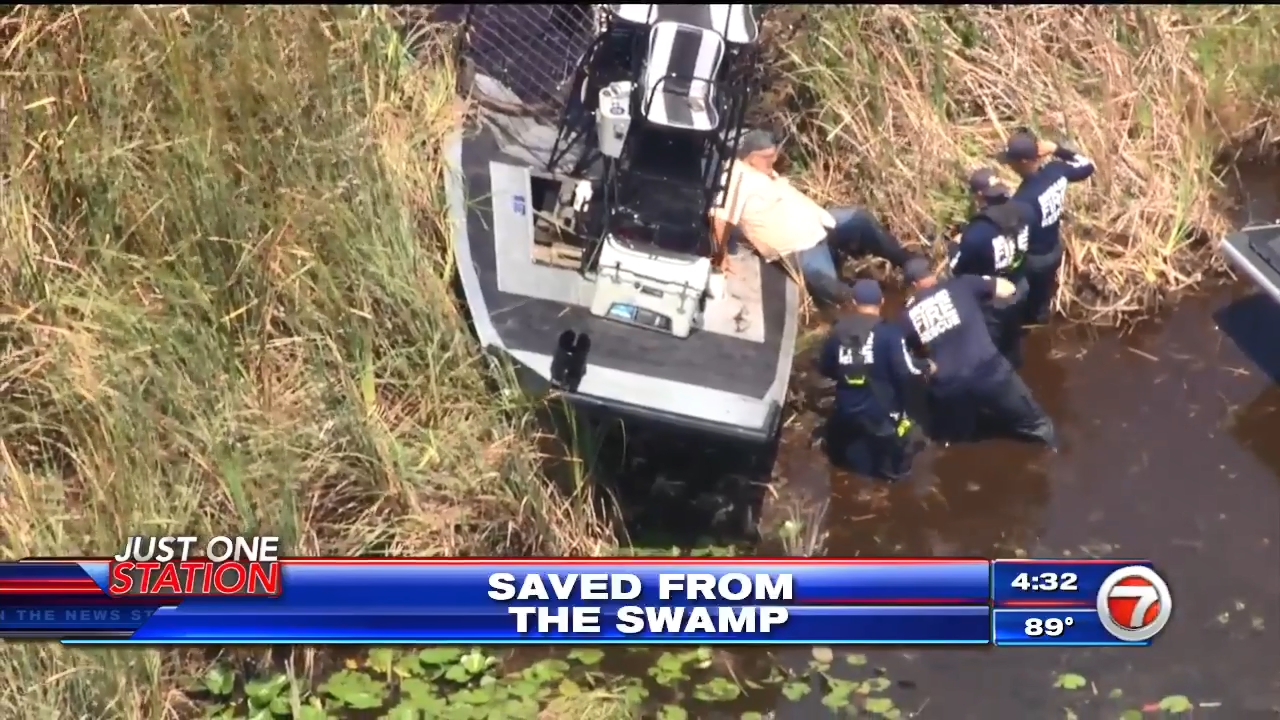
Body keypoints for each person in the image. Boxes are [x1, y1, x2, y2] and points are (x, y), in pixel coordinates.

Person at [710, 129, 916, 305]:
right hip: (800, 248)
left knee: (860, 218)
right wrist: (721, 256)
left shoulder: (762, 170)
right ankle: (874, 310)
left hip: (821, 223)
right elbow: (720, 217)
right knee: (832, 289)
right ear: (751, 156)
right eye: (767, 157)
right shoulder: (735, 177)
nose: (773, 160)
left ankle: (910, 266)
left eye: (774, 155)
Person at [899, 257, 1057, 449]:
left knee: (954, 435)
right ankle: (1054, 451)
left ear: (913, 285)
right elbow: (1007, 288)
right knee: (1038, 425)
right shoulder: (962, 284)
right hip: (990, 372)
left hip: (950, 386)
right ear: (932, 274)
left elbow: (907, 355)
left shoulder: (906, 317)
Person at [818, 279, 932, 480]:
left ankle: (839, 465)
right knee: (901, 450)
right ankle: (895, 479)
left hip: (846, 410)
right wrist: (928, 366)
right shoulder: (890, 333)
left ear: (853, 303)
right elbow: (907, 370)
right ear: (881, 302)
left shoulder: (838, 331)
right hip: (881, 414)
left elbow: (826, 368)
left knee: (839, 448)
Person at [999, 129, 1095, 324]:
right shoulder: (1056, 171)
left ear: (1023, 162)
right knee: (1042, 298)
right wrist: (1057, 149)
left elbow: (1017, 238)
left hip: (1034, 259)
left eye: (1011, 161)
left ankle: (1033, 331)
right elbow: (1087, 166)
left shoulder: (1023, 199)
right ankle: (1041, 323)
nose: (1009, 165)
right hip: (1054, 248)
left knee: (1027, 305)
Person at [949, 168, 1034, 368]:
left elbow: (957, 268)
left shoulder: (978, 232)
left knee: (989, 347)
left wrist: (954, 245)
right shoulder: (1024, 211)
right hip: (1019, 285)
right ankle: (1016, 367)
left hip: (993, 299)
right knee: (1012, 336)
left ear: (979, 196)